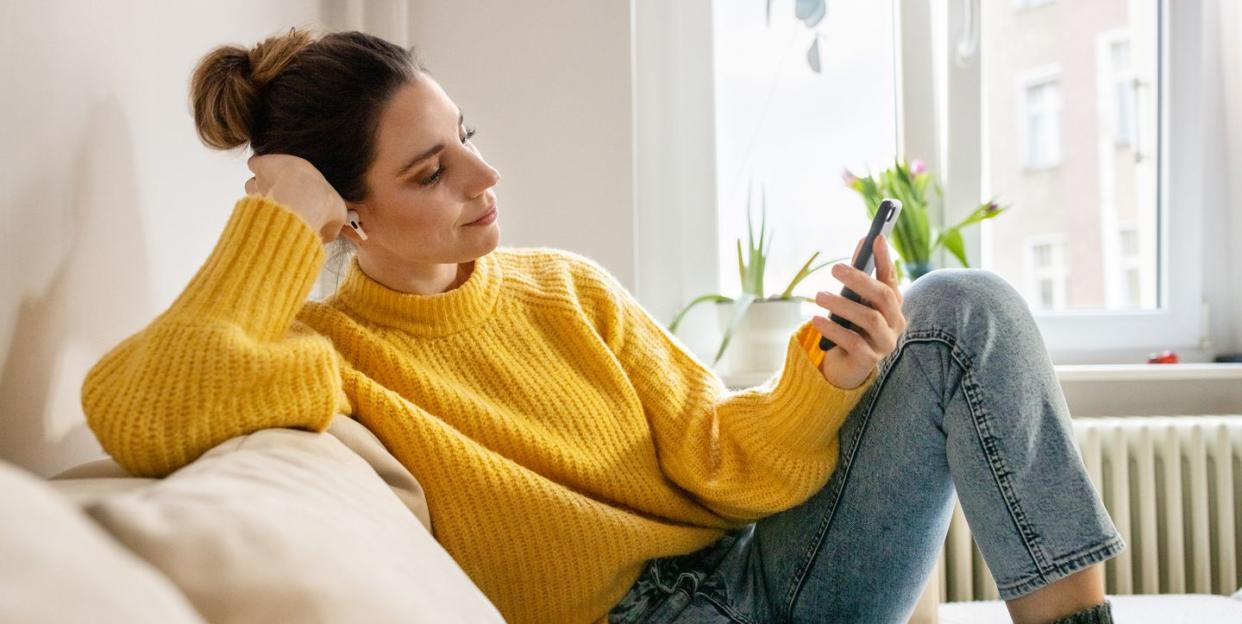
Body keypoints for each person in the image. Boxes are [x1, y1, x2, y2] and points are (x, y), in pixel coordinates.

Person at [79, 26, 1123, 624]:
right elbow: (135, 408)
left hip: (759, 575)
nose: (485, 179)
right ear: (343, 212)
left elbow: (724, 457)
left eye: (466, 137)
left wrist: (831, 380)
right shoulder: (328, 361)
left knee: (963, 307)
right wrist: (272, 222)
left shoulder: (562, 289)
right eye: (432, 171)